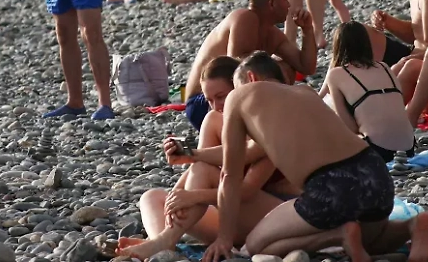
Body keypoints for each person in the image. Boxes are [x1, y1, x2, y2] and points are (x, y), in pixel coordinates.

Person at [203, 61, 428, 262]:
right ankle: (412, 226)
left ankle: (338, 235)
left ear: (250, 78)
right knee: (371, 242)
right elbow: (252, 152)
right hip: (375, 173)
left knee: (255, 246)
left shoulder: (239, 97)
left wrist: (224, 238)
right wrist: (194, 154)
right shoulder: (304, 92)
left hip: (331, 186)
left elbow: (229, 175)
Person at [119, 55, 297, 260]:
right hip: (235, 214)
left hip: (279, 215)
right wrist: (175, 198)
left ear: (241, 87)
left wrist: (194, 196)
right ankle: (162, 244)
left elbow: (246, 190)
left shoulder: (267, 122)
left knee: (202, 176)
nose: (216, 106)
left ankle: (164, 241)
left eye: (221, 96)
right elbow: (197, 168)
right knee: (151, 198)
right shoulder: (214, 120)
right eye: (209, 100)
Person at [182, 0, 317, 130]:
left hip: (228, 100)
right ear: (272, 4)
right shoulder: (245, 18)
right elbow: (236, 72)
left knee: (286, 68)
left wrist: (307, 31)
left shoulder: (273, 34)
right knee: (274, 70)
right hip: (204, 104)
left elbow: (306, 66)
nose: (289, 5)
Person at [321, 22, 414, 161]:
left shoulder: (336, 74)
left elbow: (348, 125)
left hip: (378, 149)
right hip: (408, 146)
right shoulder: (384, 67)